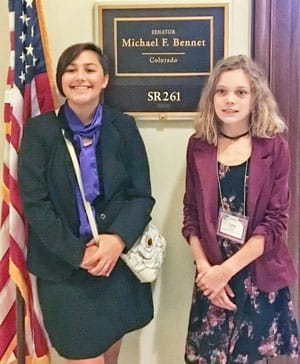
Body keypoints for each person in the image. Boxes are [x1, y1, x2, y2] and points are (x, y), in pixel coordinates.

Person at [18, 42, 155, 364]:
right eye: (71, 70)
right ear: (60, 79)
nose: (80, 77)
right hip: (64, 269)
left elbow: (141, 195)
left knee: (110, 358)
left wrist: (116, 240)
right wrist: (79, 253)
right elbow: (36, 205)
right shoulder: (40, 131)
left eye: (90, 69)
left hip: (115, 267)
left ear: (105, 79)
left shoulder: (122, 126)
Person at [182, 55, 299, 363]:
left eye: (240, 92)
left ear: (255, 97)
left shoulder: (274, 148)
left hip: (256, 274)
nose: (230, 100)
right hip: (212, 275)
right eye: (221, 91)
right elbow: (191, 215)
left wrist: (226, 272)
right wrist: (208, 272)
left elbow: (275, 223)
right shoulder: (198, 145)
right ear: (212, 97)